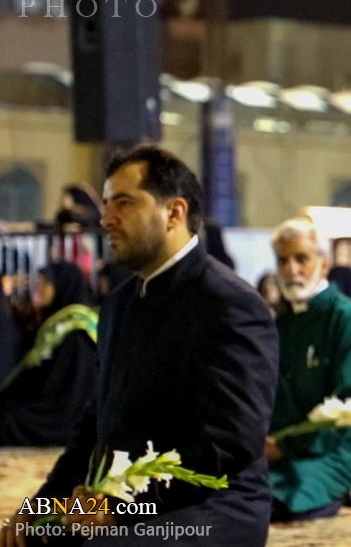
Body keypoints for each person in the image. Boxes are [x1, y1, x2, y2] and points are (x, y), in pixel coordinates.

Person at [1, 146, 279, 547]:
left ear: (174, 212)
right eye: (107, 204)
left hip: (214, 508)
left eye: (124, 203)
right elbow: (94, 426)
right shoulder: (120, 303)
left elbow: (228, 445)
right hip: (126, 502)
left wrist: (121, 509)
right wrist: (41, 509)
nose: (106, 219)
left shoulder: (228, 304)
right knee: (28, 538)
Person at [266, 217, 351, 522]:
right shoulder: (280, 325)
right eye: (283, 261)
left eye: (302, 259)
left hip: (336, 451)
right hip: (277, 449)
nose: (292, 270)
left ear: (324, 263)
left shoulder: (349, 322)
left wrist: (285, 446)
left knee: (270, 500)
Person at [0, 262, 98, 447]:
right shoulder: (56, 325)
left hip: (58, 418)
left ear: (62, 286)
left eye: (45, 283)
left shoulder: (77, 332)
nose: (39, 289)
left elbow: (61, 394)